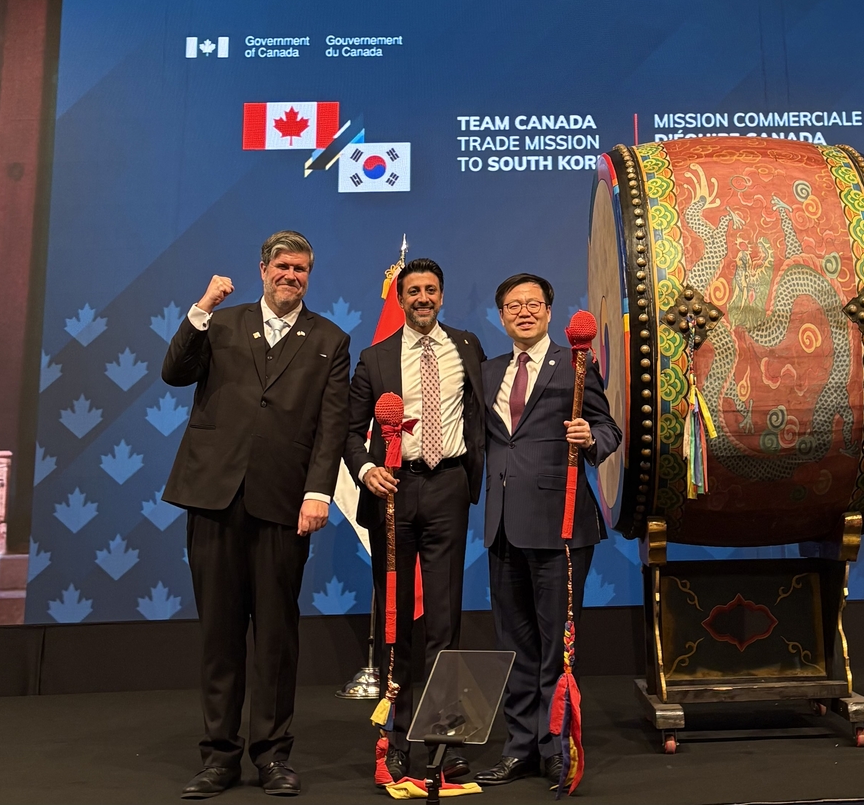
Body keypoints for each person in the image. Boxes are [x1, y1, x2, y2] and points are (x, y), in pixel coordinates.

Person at [161, 230, 350, 799]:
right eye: (283, 267)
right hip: (212, 496)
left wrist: (319, 492)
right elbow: (174, 373)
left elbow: (332, 425)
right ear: (263, 269)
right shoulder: (219, 322)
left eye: (302, 269)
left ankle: (272, 755)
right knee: (220, 635)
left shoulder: (330, 339)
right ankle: (219, 757)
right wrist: (200, 308)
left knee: (274, 636)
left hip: (284, 504)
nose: (292, 276)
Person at [474, 273, 621, 788]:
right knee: (514, 645)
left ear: (550, 311)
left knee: (558, 646)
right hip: (502, 527)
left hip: (560, 527)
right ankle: (519, 748)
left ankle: (557, 745)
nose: (523, 312)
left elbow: (609, 429)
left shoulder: (577, 367)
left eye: (533, 304)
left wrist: (590, 436)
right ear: (501, 316)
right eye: (512, 305)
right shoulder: (487, 371)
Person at [344, 258, 486, 783]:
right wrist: (365, 469)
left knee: (445, 621)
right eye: (413, 291)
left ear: (442, 296)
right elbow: (348, 430)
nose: (422, 297)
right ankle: (397, 737)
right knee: (397, 622)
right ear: (400, 299)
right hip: (393, 492)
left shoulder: (467, 347)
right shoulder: (376, 355)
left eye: (430, 290)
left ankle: (447, 738)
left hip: (448, 485)